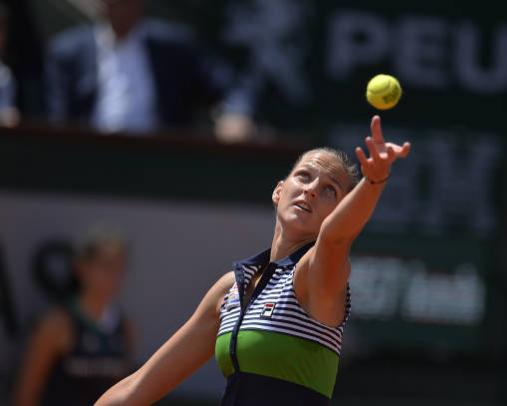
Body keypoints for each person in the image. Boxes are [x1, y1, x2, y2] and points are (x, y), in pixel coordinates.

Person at [95, 115, 411, 405]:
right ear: (279, 191)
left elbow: (335, 237)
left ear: (339, 210)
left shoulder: (315, 275)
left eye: (330, 190)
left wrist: (373, 182)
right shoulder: (230, 290)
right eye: (304, 176)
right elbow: (139, 386)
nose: (311, 190)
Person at [45, 0, 255, 141]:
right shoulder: (67, 53)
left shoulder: (175, 47)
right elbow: (58, 123)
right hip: (90, 164)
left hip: (160, 165)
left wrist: (235, 113)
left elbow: (230, 86)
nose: (121, 7)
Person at [14, 231, 134, 406]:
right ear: (81, 267)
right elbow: (27, 392)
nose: (114, 276)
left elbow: (122, 391)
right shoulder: (56, 324)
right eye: (106, 266)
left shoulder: (125, 327)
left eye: (119, 267)